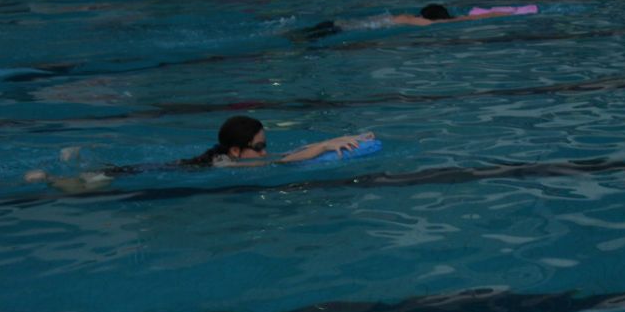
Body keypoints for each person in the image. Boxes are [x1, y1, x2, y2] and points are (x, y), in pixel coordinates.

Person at [22, 116, 374, 191]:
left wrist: (341, 138)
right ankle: (49, 177)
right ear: (236, 150)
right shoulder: (229, 165)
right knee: (83, 188)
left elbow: (289, 152)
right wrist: (324, 147)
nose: (265, 150)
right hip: (148, 173)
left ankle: (71, 164)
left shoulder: (229, 157)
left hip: (154, 167)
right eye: (260, 147)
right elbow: (285, 161)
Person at [299, 1, 530, 39]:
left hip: (342, 25)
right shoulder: (424, 22)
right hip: (342, 30)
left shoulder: (407, 17)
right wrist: (509, 13)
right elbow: (460, 21)